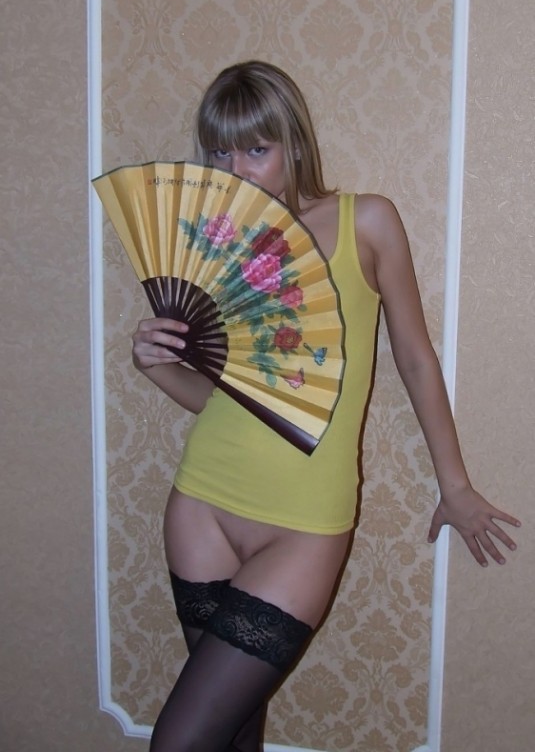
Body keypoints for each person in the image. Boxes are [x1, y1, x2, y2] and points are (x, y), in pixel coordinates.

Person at [131, 61, 520, 752]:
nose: (236, 170)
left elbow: (414, 358)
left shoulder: (366, 221)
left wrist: (454, 485)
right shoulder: (217, 249)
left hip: (304, 524)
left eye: (256, 148)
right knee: (232, 733)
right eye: (220, 152)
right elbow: (227, 400)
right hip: (202, 503)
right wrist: (157, 368)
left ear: (293, 142)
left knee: (179, 743)